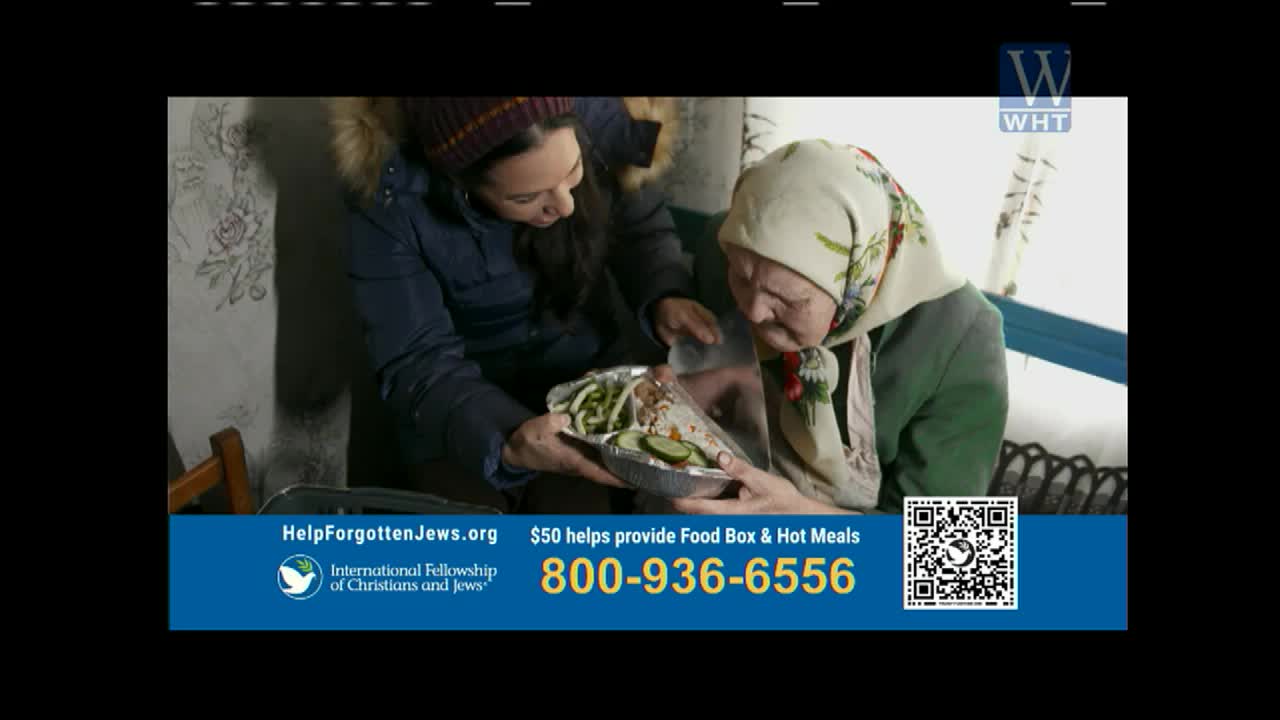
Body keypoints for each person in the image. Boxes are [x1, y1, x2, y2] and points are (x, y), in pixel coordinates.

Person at [329, 97, 720, 513]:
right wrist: (506, 441)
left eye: (574, 172)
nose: (567, 206)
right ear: (462, 182)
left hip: (590, 397)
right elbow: (417, 361)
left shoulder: (603, 127)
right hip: (453, 417)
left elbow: (640, 228)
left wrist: (664, 293)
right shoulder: (391, 201)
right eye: (527, 197)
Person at [663, 139, 1009, 515]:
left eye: (789, 300)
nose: (754, 312)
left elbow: (949, 546)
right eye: (742, 279)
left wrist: (795, 515)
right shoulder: (732, 242)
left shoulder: (963, 338)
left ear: (854, 285)